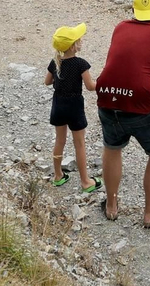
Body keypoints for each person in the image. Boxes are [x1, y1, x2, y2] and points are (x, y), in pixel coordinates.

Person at [95, 0, 150, 228]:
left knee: (112, 148)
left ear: (133, 9)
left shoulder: (120, 27)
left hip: (107, 98)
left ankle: (111, 206)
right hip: (142, 105)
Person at [44, 23, 100, 194]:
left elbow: (47, 82)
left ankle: (58, 175)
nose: (81, 41)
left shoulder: (55, 63)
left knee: (59, 141)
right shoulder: (81, 64)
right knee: (79, 144)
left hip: (58, 105)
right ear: (73, 46)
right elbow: (90, 86)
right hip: (75, 106)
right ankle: (85, 181)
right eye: (79, 39)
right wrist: (102, 83)